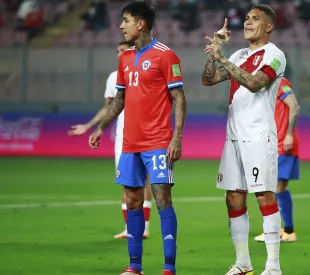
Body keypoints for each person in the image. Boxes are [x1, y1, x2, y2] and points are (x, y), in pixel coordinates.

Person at [88, 1, 187, 275]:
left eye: (126, 20)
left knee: (162, 198)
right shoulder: (124, 58)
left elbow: (179, 97)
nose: (121, 26)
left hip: (157, 141)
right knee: (132, 200)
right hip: (130, 143)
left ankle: (169, 268)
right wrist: (101, 127)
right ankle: (135, 267)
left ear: (140, 24)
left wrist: (176, 137)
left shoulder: (166, 56)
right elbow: (119, 99)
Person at [202, 4, 286, 275]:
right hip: (234, 137)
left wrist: (222, 58)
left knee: (263, 195)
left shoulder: (275, 55)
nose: (248, 22)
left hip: (258, 136)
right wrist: (216, 51)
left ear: (269, 26)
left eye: (256, 19)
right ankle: (243, 262)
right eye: (247, 18)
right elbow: (209, 79)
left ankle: (273, 266)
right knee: (233, 198)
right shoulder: (238, 54)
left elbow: (254, 83)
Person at [67, 41, 152, 240]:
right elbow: (108, 107)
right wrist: (89, 127)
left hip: (147, 135)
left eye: (123, 50)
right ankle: (131, 229)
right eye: (117, 51)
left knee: (146, 181)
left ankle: (145, 227)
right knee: (126, 182)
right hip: (123, 137)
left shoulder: (146, 72)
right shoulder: (114, 77)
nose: (119, 54)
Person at [254, 76, 300, 243]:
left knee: (274, 187)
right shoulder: (265, 87)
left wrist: (288, 135)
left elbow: (294, 106)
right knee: (276, 188)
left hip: (283, 144)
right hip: (271, 143)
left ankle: (281, 230)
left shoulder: (281, 83)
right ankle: (285, 230)